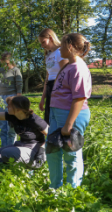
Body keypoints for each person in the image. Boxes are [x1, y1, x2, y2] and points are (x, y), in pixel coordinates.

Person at [46, 33, 91, 189]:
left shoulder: (78, 68)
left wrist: (68, 125)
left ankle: (73, 192)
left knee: (71, 153)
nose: (60, 49)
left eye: (62, 45)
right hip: (57, 113)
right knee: (52, 149)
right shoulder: (68, 66)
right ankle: (55, 187)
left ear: (70, 47)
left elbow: (79, 98)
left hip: (71, 115)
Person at [38, 28, 69, 124]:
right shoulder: (48, 55)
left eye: (43, 42)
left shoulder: (61, 52)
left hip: (59, 87)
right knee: (48, 119)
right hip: (50, 88)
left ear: (51, 38)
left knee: (58, 118)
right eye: (41, 44)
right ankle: (50, 138)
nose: (42, 46)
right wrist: (43, 97)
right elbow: (47, 78)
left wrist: (58, 90)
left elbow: (65, 74)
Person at [0, 52, 23, 147]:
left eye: (7, 62)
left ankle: (11, 148)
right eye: (3, 62)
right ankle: (3, 148)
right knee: (2, 125)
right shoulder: (0, 70)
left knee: (11, 125)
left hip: (12, 97)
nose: (5, 64)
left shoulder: (16, 70)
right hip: (1, 97)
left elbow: (19, 85)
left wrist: (17, 99)